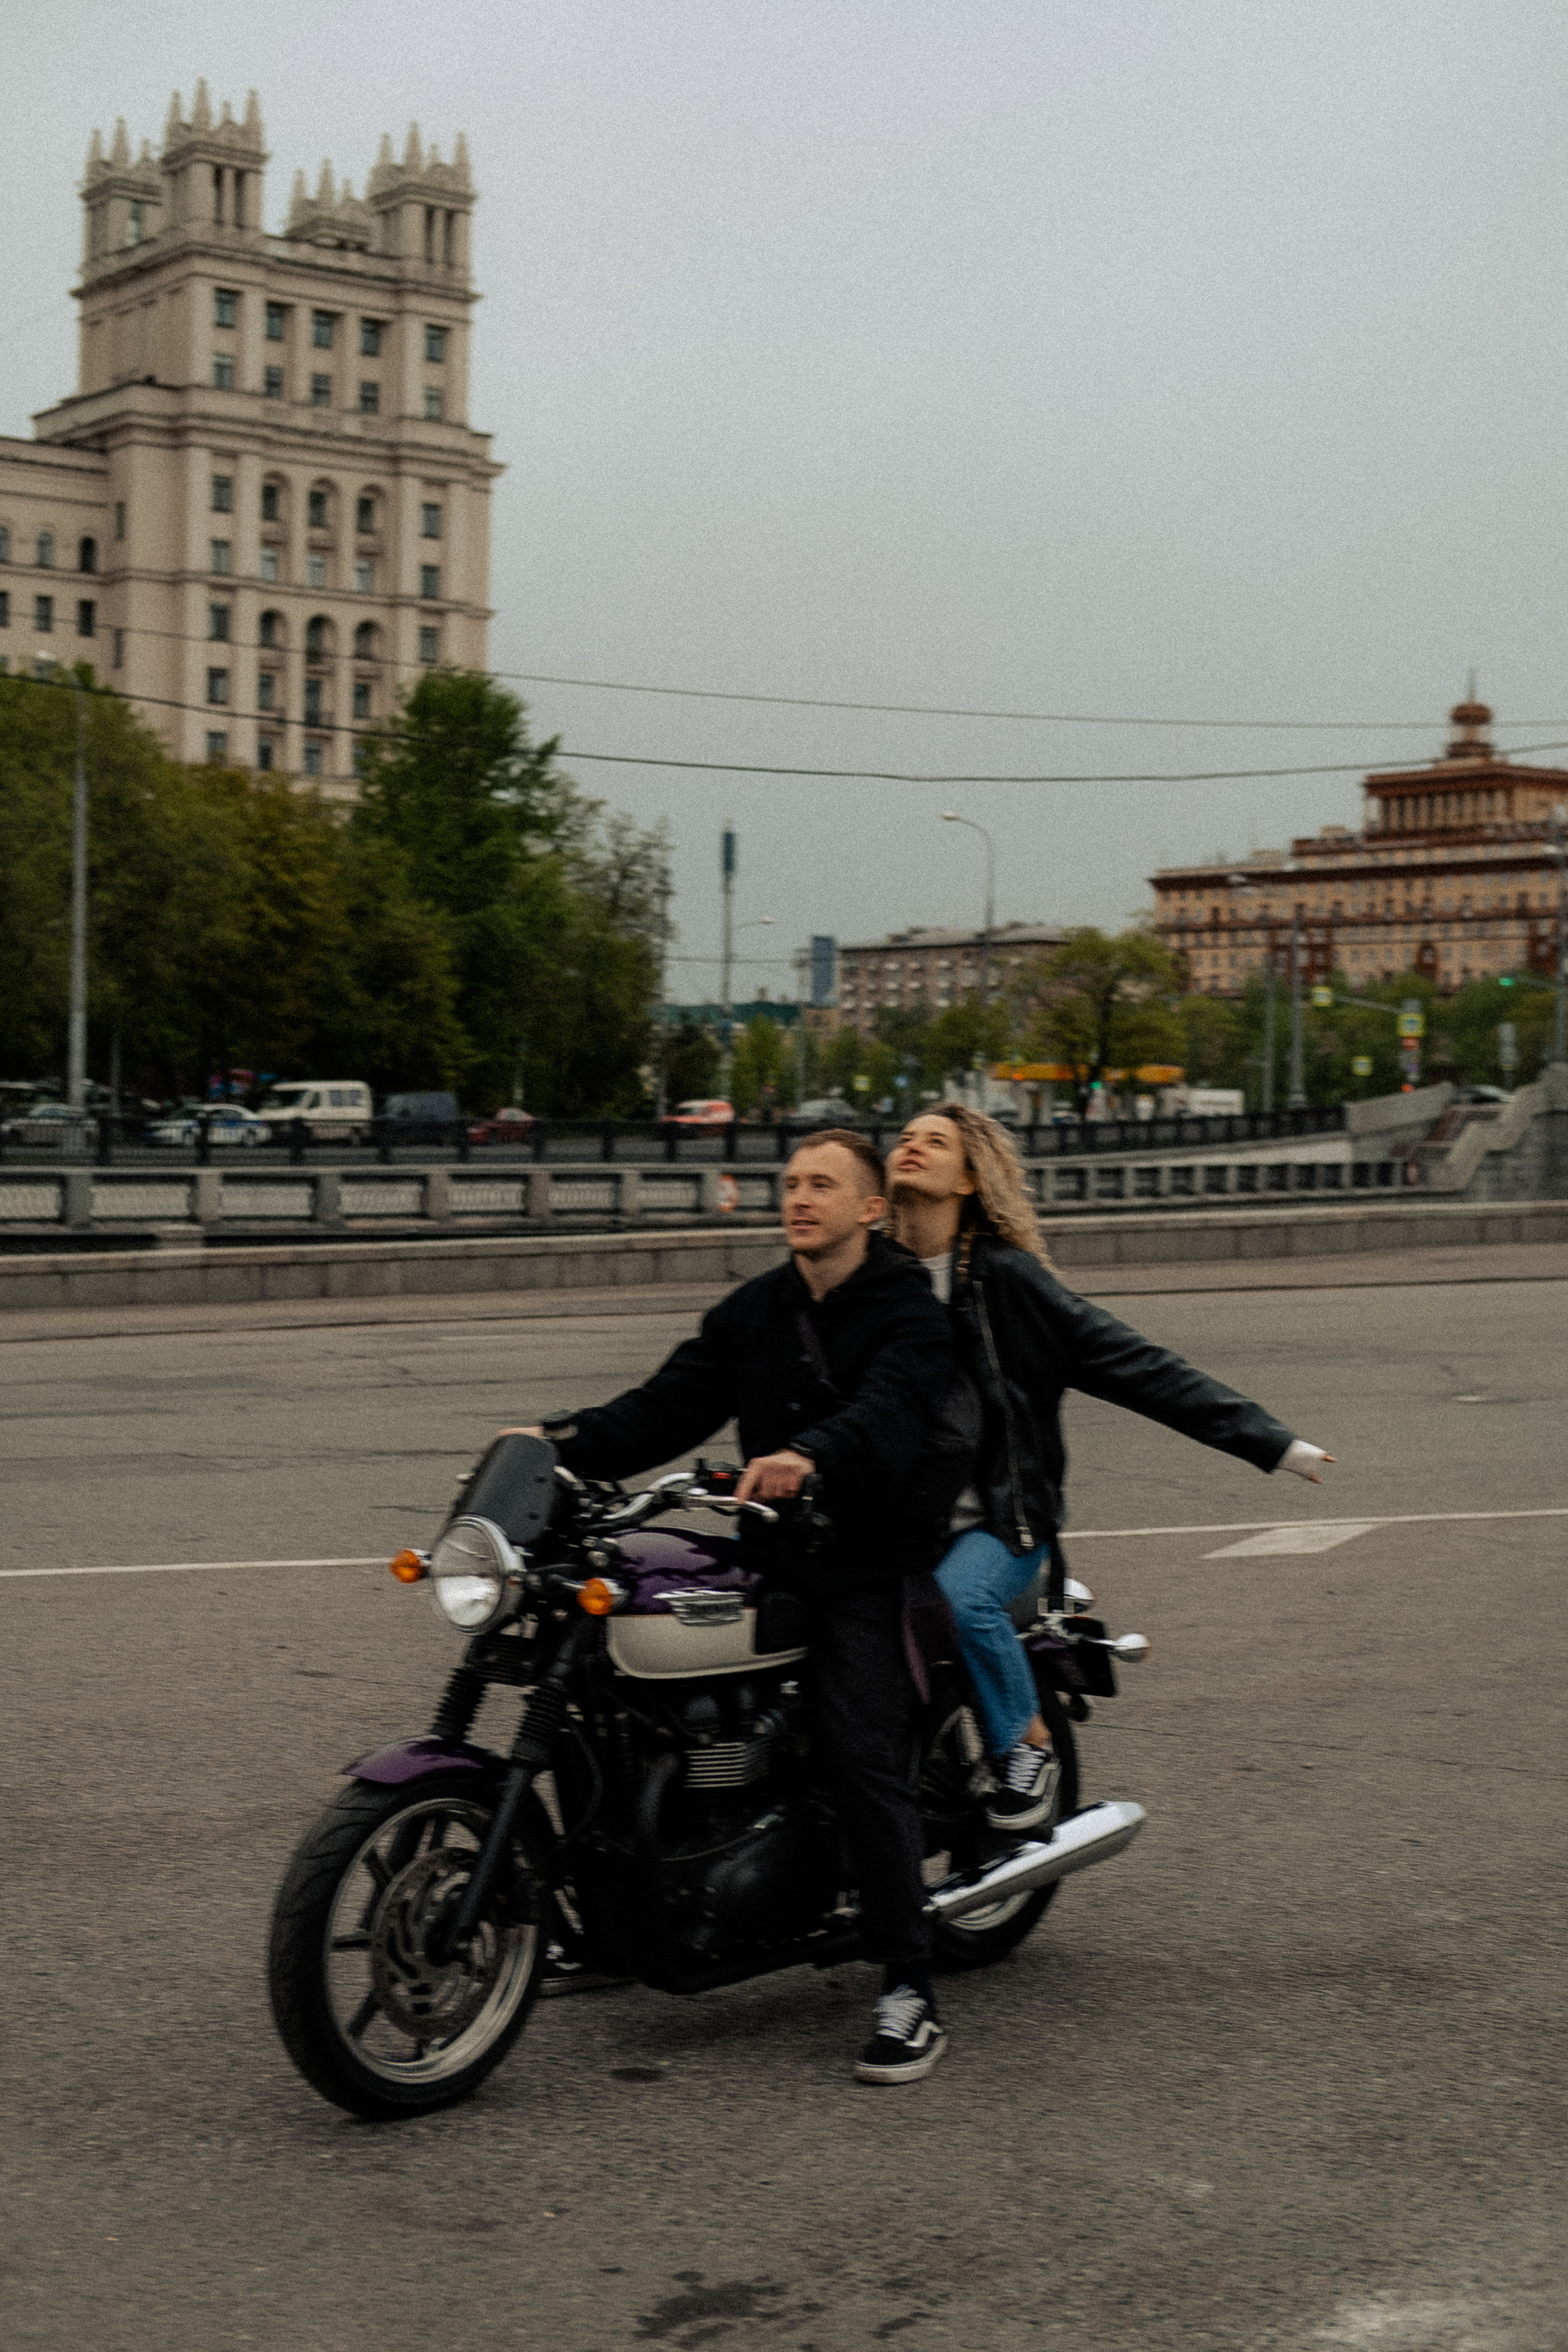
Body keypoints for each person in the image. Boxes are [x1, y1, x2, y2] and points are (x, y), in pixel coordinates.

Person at [507, 1130, 958, 2086]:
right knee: (602, 1686)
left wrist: (814, 1454)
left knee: (861, 1750)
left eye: (824, 1185)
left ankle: (909, 1983)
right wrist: (555, 1443)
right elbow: (665, 1405)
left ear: (872, 1208)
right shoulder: (757, 1310)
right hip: (772, 1556)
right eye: (791, 1183)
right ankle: (605, 1926)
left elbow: (889, 1409)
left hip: (869, 1566)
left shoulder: (909, 1312)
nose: (801, 1198)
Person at [884, 1103, 1333, 1830]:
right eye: (904, 1138)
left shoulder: (1008, 1280)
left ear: (969, 1177)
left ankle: (1022, 1745)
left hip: (1002, 1523)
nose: (911, 1147)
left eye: (935, 1142)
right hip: (903, 1517)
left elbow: (1134, 1365)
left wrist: (1270, 1442)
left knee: (958, 1604)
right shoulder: (880, 1275)